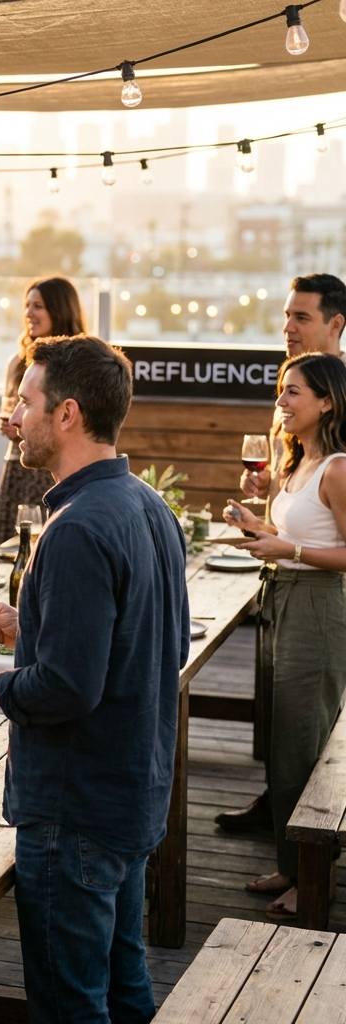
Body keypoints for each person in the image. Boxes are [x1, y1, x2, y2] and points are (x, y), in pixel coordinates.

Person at [0, 335, 189, 1024]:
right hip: (132, 790)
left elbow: (69, 691)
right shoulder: (146, 505)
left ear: (67, 414)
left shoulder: (75, 529)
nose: (15, 418)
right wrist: (31, 623)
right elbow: (139, 635)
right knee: (125, 982)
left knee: (70, 1005)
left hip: (76, 807)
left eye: (26, 402)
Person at [218, 272, 346, 833]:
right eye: (287, 316)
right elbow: (305, 497)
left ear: (335, 324)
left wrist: (287, 541)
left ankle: (309, 853)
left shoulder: (336, 444)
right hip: (285, 589)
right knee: (285, 725)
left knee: (309, 731)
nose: (288, 327)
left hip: (321, 598)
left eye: (302, 317)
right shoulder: (300, 427)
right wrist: (269, 498)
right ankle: (285, 833)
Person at [0, 277, 86, 545]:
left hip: (56, 469)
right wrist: (11, 427)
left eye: (38, 306)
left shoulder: (79, 364)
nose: (28, 313)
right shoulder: (17, 363)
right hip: (17, 467)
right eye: (27, 305)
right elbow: (10, 409)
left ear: (59, 310)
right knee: (9, 549)